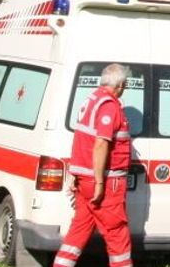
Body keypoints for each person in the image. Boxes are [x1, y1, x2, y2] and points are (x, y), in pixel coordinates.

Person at [54, 64, 133, 267]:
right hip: (105, 182)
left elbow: (81, 139)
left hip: (84, 180)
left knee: (78, 232)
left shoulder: (91, 101)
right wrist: (99, 182)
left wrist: (74, 172)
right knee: (117, 235)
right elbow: (100, 143)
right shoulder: (109, 106)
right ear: (121, 84)